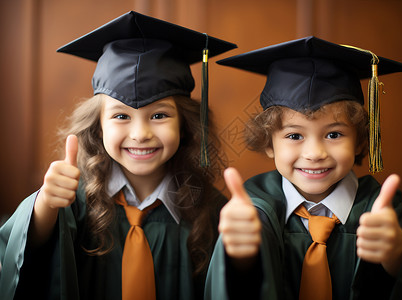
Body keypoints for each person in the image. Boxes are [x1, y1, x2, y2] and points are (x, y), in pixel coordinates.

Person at [0, 11, 236, 300]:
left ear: (186, 125)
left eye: (159, 115)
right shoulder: (74, 202)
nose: (140, 134)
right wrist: (46, 205)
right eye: (121, 115)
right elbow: (24, 258)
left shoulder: (211, 210)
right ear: (98, 127)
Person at [205, 36, 402, 300]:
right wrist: (240, 258)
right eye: (295, 136)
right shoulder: (253, 209)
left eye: (334, 135)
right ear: (268, 143)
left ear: (360, 140)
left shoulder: (380, 211)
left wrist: (398, 255)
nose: (315, 154)